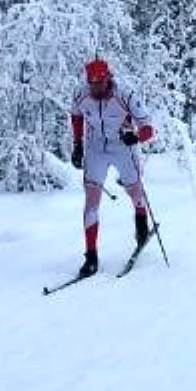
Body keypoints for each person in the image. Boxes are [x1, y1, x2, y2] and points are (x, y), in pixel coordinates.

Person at [70, 58, 156, 277]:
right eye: (92, 84)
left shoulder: (125, 95)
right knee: (91, 201)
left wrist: (135, 137)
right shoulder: (81, 94)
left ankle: (141, 224)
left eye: (100, 83)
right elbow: (77, 116)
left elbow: (149, 128)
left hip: (122, 147)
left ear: (109, 79)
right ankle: (91, 256)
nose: (96, 88)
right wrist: (78, 144)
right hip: (96, 147)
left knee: (135, 192)